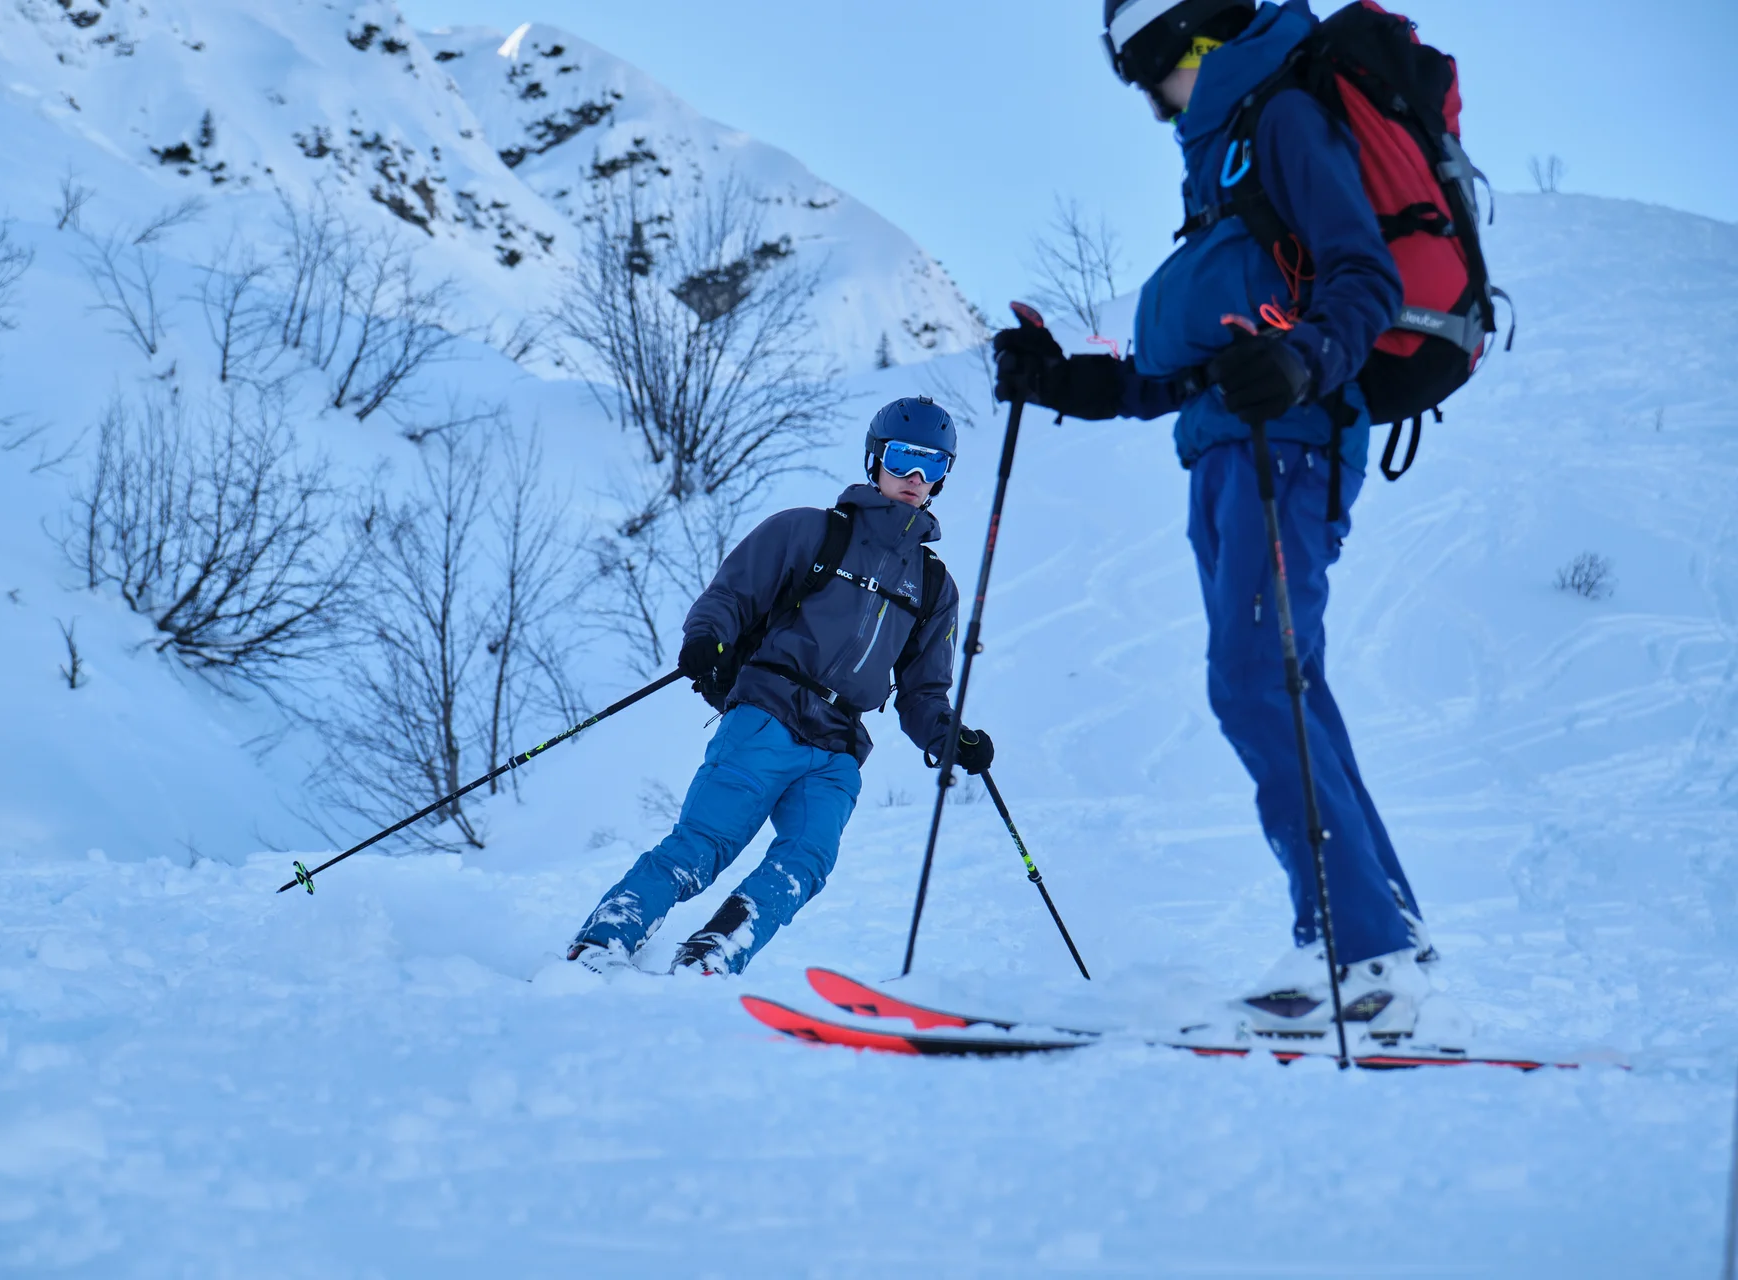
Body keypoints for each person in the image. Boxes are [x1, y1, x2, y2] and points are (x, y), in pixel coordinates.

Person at [993, 0, 1437, 1039]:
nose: (1149, 102)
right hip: (1229, 447)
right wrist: (1061, 378)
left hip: (1287, 443)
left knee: (1254, 680)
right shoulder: (1223, 155)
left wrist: (1301, 361)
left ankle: (1362, 950)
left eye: (1146, 71)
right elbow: (1187, 363)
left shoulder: (1278, 116)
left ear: (1189, 39)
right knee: (1286, 686)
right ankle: (1385, 939)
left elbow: (1363, 280)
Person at [567, 396, 993, 976]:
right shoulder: (811, 531)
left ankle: (714, 952)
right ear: (875, 460)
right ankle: (604, 939)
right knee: (703, 846)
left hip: (839, 748)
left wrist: (947, 736)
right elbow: (730, 596)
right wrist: (707, 639)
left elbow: (922, 694)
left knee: (806, 861)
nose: (916, 479)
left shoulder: (934, 585)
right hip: (768, 716)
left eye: (933, 466)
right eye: (903, 460)